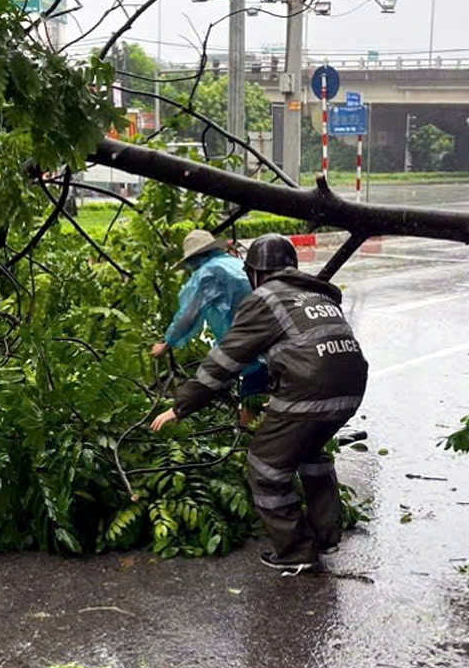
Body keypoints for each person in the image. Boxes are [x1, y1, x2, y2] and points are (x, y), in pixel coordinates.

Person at [150, 234, 368, 573]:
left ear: (256, 273)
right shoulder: (315, 293)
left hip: (311, 389)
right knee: (309, 451)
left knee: (265, 464)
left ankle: (296, 551)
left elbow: (225, 361)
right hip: (352, 386)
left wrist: (181, 406)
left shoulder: (264, 299)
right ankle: (327, 534)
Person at [151, 229, 267, 423]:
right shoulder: (236, 264)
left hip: (250, 346)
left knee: (250, 411)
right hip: (273, 338)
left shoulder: (207, 274)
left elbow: (187, 315)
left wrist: (167, 343)